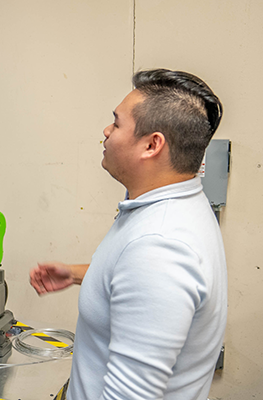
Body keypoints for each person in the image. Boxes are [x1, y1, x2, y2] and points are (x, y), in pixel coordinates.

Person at [30, 69, 227, 400]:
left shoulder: (159, 247)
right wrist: (78, 274)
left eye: (117, 123)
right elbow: (138, 285)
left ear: (152, 144)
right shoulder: (178, 205)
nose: (106, 131)